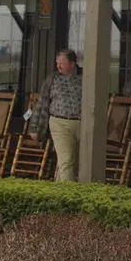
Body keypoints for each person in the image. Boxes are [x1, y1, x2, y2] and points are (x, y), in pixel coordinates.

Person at [28, 49, 84, 183]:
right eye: (57, 63)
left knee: (73, 162)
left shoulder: (85, 78)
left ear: (72, 64)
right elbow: (41, 103)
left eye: (62, 64)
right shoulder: (52, 79)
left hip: (82, 124)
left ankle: (59, 193)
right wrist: (34, 127)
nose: (58, 66)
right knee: (67, 160)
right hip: (59, 123)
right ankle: (69, 197)